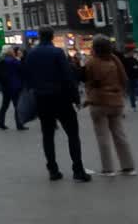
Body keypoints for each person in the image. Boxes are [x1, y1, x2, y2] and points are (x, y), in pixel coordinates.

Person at [24, 26, 90, 182]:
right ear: (52, 37)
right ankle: (78, 169)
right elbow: (67, 76)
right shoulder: (57, 52)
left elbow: (27, 77)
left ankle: (53, 169)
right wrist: (76, 98)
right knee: (72, 134)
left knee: (48, 135)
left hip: (42, 99)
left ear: (39, 37)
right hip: (61, 98)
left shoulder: (31, 54)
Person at [82, 35, 136, 177]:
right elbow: (124, 78)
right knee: (119, 134)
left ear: (95, 48)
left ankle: (108, 168)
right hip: (116, 102)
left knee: (102, 136)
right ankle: (128, 166)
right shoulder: (115, 59)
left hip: (99, 102)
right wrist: (120, 93)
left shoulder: (92, 62)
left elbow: (88, 80)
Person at [0, 46, 27, 131]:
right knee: (17, 106)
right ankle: (19, 125)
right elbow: (22, 71)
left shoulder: (2, 61)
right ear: (11, 52)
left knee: (4, 106)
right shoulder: (14, 61)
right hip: (15, 86)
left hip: (5, 87)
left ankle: (1, 123)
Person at [122, 45, 138, 112]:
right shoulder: (124, 60)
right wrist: (135, 68)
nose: (133, 53)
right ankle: (133, 106)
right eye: (132, 52)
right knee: (132, 94)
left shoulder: (134, 59)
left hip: (137, 78)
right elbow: (127, 70)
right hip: (129, 79)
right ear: (128, 52)